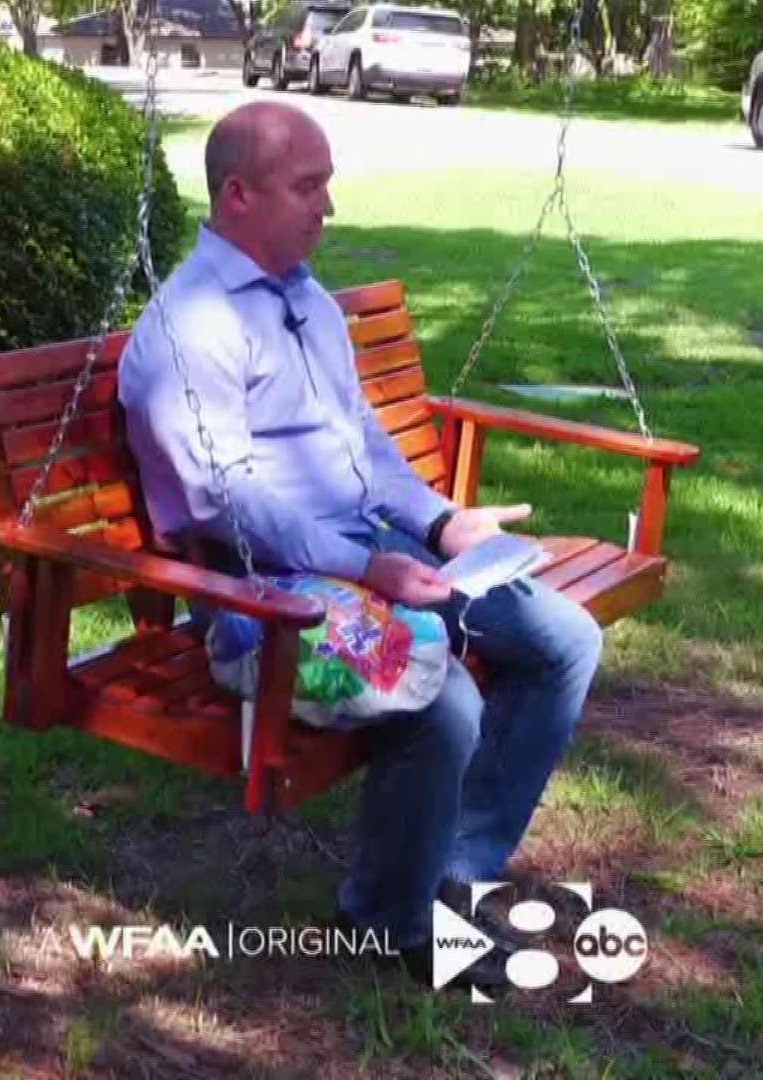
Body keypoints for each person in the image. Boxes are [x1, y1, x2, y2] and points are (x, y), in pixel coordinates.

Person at [117, 101, 603, 991]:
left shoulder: (306, 301)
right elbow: (228, 508)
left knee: (567, 640)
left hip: (371, 551)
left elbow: (364, 446)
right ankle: (387, 918)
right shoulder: (190, 332)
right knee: (445, 703)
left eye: (327, 184)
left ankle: (456, 868)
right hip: (264, 597)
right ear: (237, 196)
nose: (328, 207)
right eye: (309, 187)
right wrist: (365, 569)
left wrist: (439, 522)